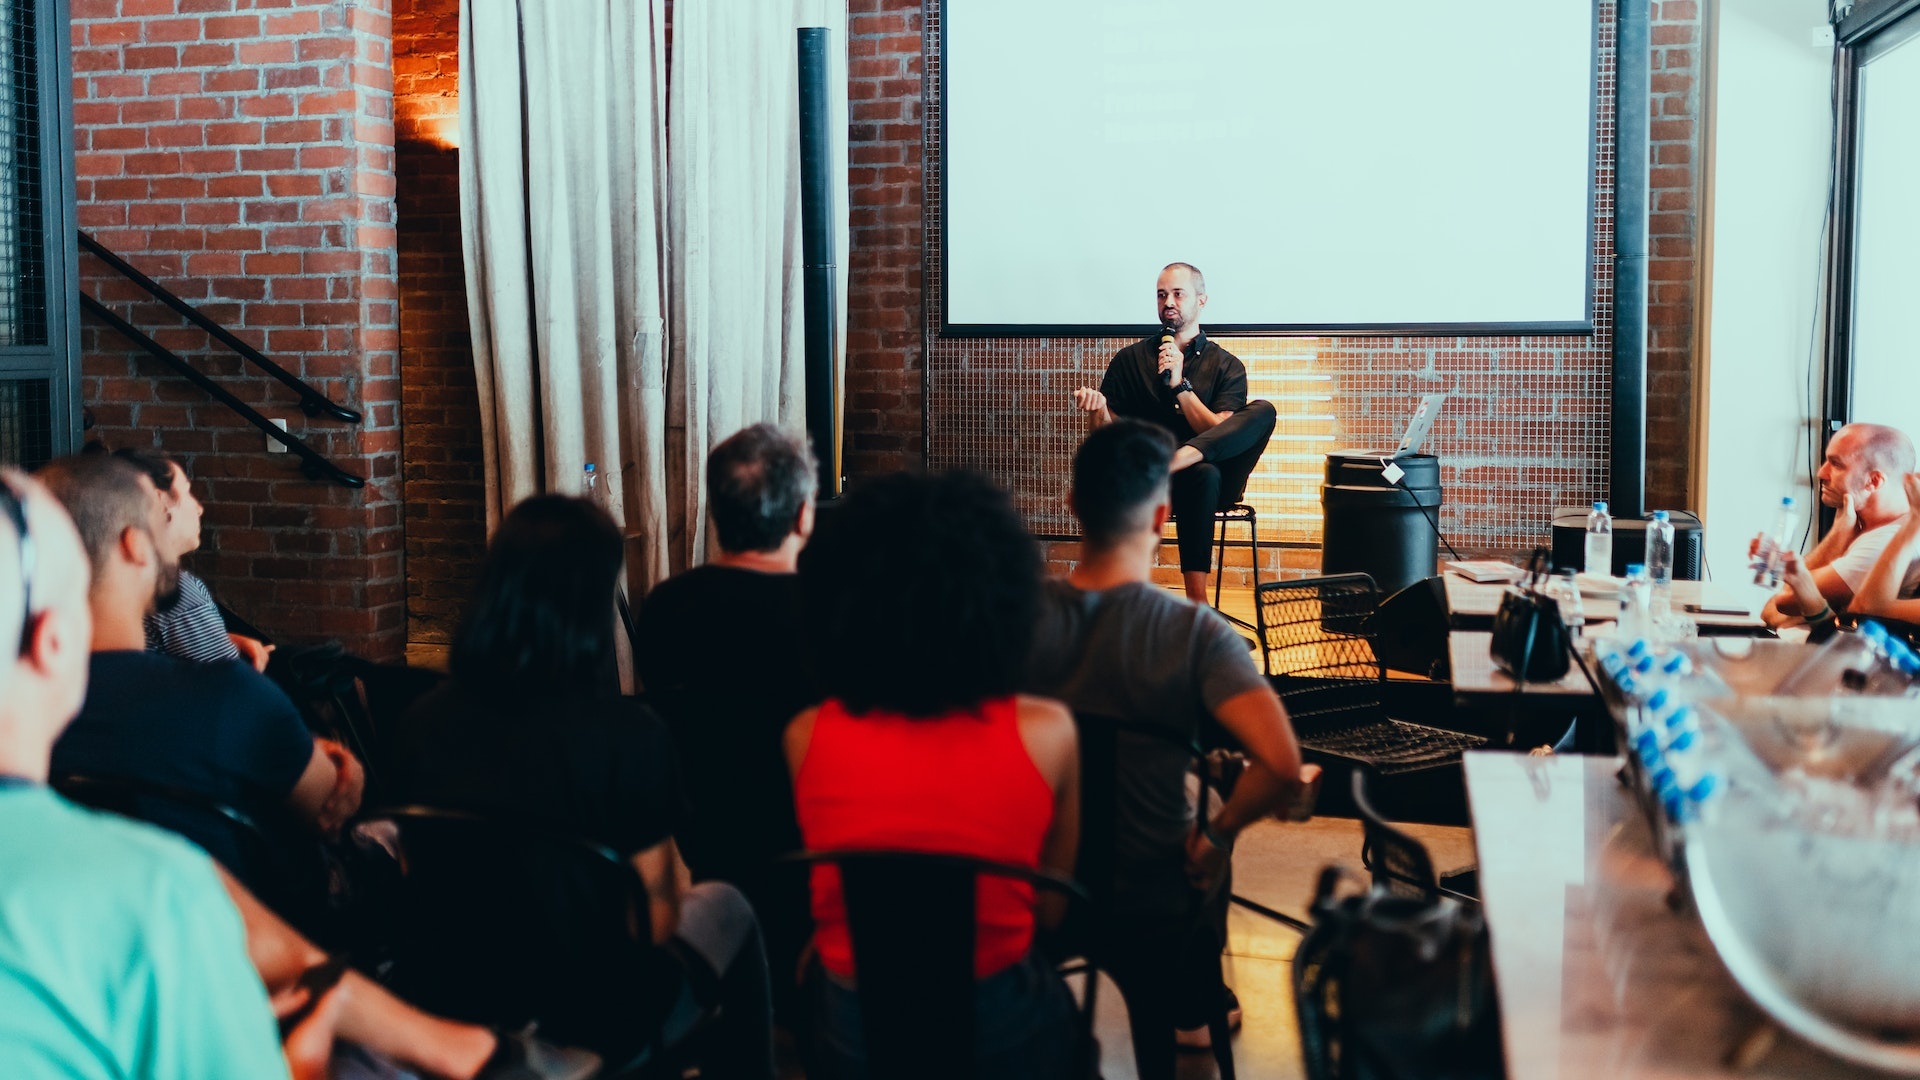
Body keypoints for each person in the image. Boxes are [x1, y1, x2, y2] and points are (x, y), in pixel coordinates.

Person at [0, 470, 596, 1080]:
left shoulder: (120, 863)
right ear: (51, 641)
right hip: (295, 921)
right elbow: (328, 806)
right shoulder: (162, 881)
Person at [389, 494, 775, 1079]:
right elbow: (654, 922)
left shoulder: (421, 721)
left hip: (457, 997)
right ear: (595, 600)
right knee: (728, 904)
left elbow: (415, 874)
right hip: (598, 1019)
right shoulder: (630, 737)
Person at [1025, 420, 1311, 1074]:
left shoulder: (1019, 615)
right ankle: (1191, 1001)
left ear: (1073, 508)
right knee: (1214, 834)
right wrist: (1216, 834)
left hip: (1040, 886)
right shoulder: (1196, 633)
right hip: (1155, 894)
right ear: (1162, 517)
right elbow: (1282, 764)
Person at [787, 470, 1081, 1080]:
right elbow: (1049, 914)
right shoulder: (1048, 731)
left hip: (852, 1033)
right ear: (1002, 600)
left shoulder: (807, 733)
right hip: (1000, 1031)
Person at [35, 453, 363, 920]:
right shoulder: (233, 697)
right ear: (135, 546)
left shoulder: (22, 712)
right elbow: (326, 807)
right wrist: (339, 760)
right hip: (240, 942)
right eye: (156, 522)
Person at [633, 422, 818, 1017]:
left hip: (708, 839)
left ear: (716, 510)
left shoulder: (665, 608)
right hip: (809, 853)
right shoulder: (834, 614)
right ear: (804, 517)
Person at [1070, 262, 1278, 603]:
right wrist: (1098, 411)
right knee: (1203, 471)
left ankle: (1171, 460)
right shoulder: (1130, 360)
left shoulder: (1227, 366)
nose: (1169, 302)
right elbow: (1106, 439)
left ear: (1202, 300)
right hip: (1151, 483)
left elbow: (1222, 433)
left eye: (1178, 294)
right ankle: (1199, 604)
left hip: (1217, 483)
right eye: (1162, 295)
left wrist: (1181, 385)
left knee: (1262, 412)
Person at [111, 447, 272, 669]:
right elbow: (232, 688)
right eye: (187, 492)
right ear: (160, 502)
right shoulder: (171, 589)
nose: (198, 508)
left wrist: (225, 640)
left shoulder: (112, 576)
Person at [1761, 423, 1914, 627]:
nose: (1821, 473)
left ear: (1874, 481)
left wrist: (1838, 535)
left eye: (1836, 464)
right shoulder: (1866, 529)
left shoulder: (1885, 541)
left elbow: (1784, 600)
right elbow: (1770, 611)